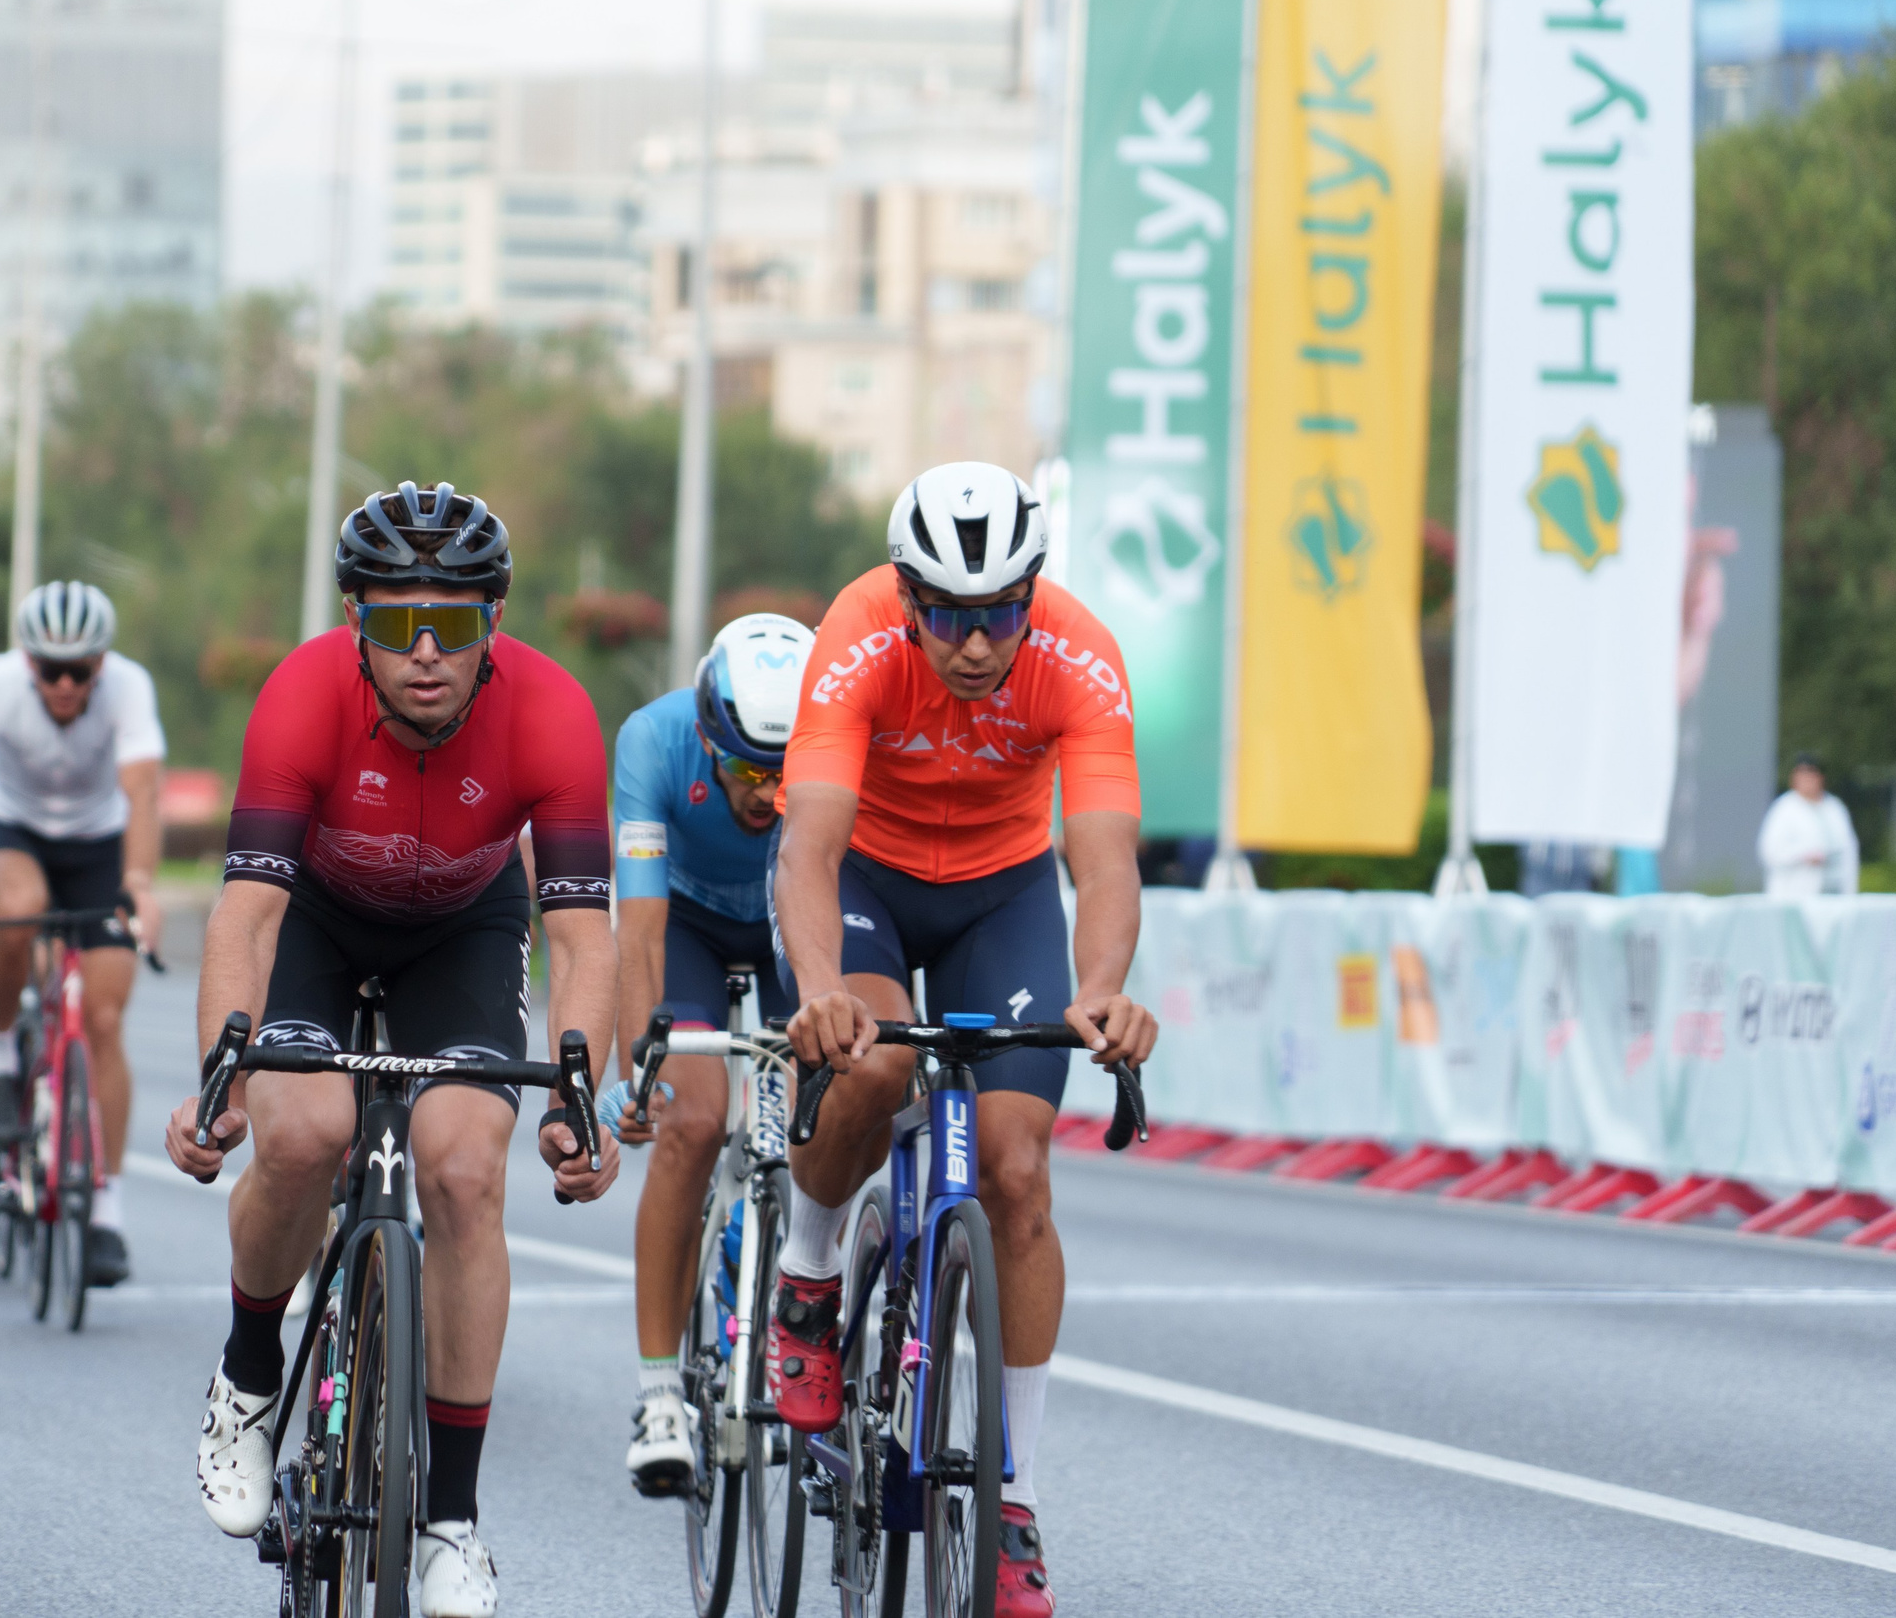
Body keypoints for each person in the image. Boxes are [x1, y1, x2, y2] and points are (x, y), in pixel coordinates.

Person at [162, 483, 620, 1618]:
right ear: (353, 622)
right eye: (394, 623)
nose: (424, 652)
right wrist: (220, 1075)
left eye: (454, 625)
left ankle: (452, 1522)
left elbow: (577, 934)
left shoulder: (556, 715)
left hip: (461, 934)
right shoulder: (300, 699)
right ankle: (250, 1372)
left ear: (495, 625)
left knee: (466, 1168)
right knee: (306, 1128)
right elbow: (246, 917)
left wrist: (579, 1095)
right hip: (315, 920)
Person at [768, 462, 1157, 1618]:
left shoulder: (1078, 657)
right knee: (874, 1059)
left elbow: (1102, 857)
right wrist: (825, 989)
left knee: (1018, 1172)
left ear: (1032, 596)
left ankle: (1014, 1497)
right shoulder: (856, 636)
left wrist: (1100, 989)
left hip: (1000, 896)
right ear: (906, 594)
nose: (976, 642)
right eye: (947, 612)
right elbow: (807, 848)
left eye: (1000, 612)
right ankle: (807, 1269)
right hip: (871, 885)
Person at [607, 612, 814, 1495]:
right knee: (691, 1122)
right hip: (685, 920)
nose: (766, 795)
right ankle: (659, 1390)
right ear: (706, 736)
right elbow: (640, 939)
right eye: (743, 769)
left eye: (785, 775)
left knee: (817, 1120)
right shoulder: (653, 741)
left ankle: (789, 1311)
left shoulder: (842, 746)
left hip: (786, 918)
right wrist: (637, 1072)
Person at [0, 582, 165, 1287]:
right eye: (49, 668)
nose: (64, 683)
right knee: (19, 904)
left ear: (101, 662)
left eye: (79, 669)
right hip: (13, 831)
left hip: (96, 844)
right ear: (27, 662)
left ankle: (107, 1213)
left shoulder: (128, 687)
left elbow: (144, 790)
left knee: (106, 1016)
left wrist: (141, 884)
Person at [1758, 755, 1859, 898]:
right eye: (1801, 775)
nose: (1806, 780)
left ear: (1820, 778)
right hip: (1795, 894)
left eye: (1811, 774)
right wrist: (1803, 855)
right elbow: (1770, 852)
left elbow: (1849, 850)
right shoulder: (1784, 808)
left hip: (1835, 892)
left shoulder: (1835, 808)